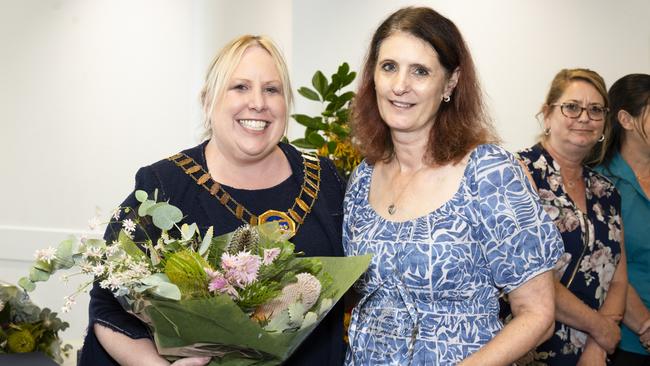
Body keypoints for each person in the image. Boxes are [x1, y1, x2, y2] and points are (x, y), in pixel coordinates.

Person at [79, 35, 346, 366]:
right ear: (208, 101)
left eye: (272, 90)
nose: (258, 103)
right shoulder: (165, 184)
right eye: (240, 87)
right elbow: (108, 304)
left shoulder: (326, 180)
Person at [342, 7, 563, 365]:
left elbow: (538, 316)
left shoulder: (489, 174)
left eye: (421, 71)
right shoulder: (362, 179)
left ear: (450, 82)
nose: (400, 85)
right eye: (389, 67)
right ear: (373, 77)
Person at [515, 68, 628, 365]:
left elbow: (617, 280)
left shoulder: (607, 191)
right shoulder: (516, 174)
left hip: (590, 352)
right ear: (547, 115)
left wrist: (597, 347)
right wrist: (600, 328)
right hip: (528, 348)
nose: (584, 118)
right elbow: (529, 277)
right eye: (572, 107)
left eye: (595, 110)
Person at [596, 73, 650, 365]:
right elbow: (608, 267)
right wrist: (646, 327)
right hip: (628, 342)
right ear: (627, 120)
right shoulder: (602, 183)